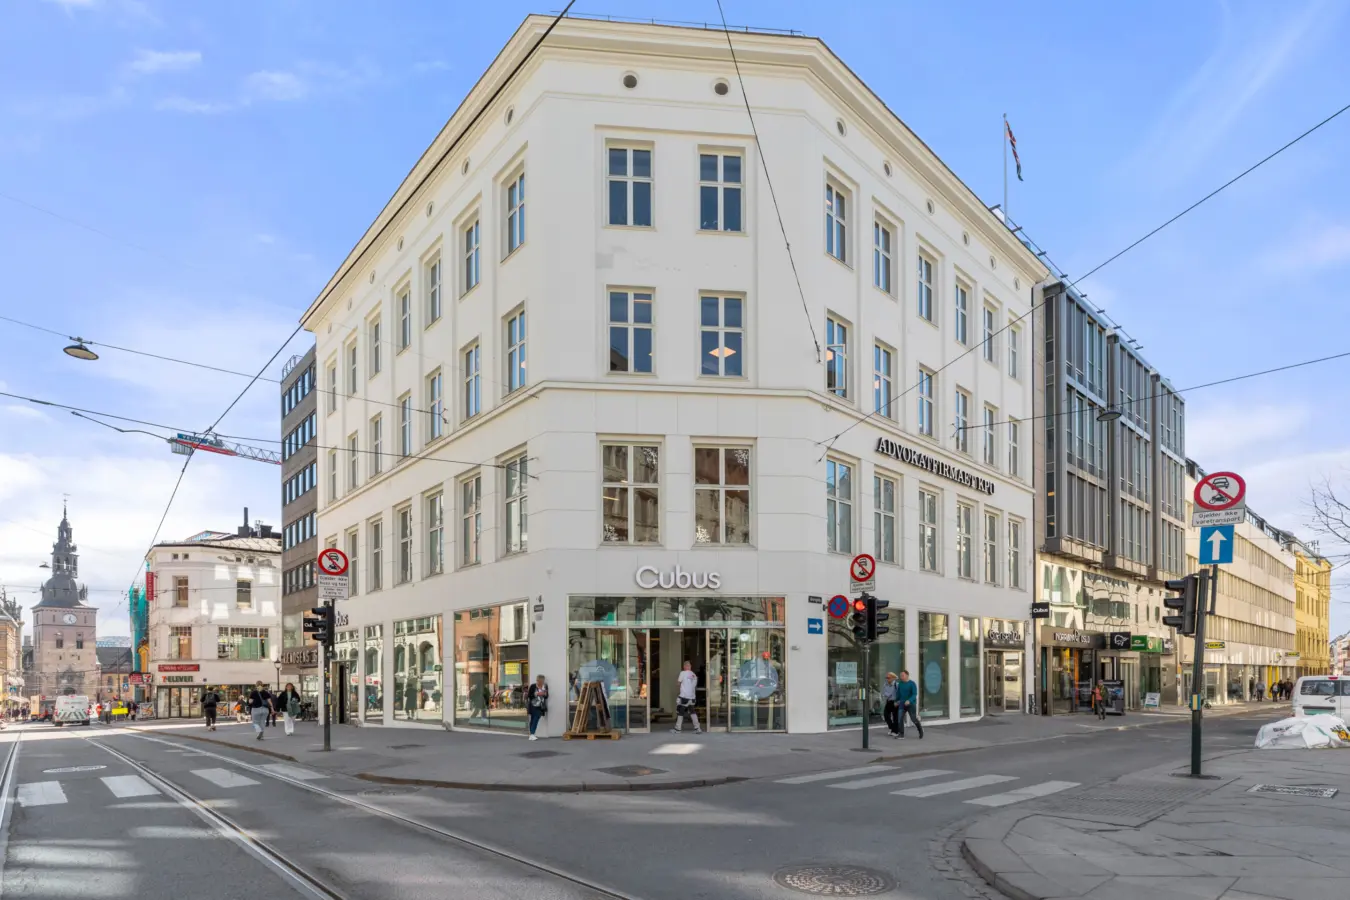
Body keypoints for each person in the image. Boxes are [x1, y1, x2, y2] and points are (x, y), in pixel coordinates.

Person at [671, 661, 702, 734]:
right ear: (690, 666)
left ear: (684, 666)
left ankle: (678, 728)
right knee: (692, 711)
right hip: (692, 697)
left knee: (680, 711)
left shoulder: (683, 673)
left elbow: (678, 683)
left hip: (684, 697)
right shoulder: (694, 675)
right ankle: (697, 728)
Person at [896, 670, 923, 739]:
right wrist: (896, 701)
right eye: (900, 676)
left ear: (907, 675)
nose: (901, 677)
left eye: (903, 675)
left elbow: (914, 694)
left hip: (911, 704)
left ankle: (920, 730)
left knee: (913, 719)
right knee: (900, 718)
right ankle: (901, 734)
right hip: (902, 703)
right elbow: (898, 693)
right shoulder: (900, 684)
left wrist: (909, 700)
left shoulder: (912, 684)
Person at [526, 674, 549, 741]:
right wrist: (536, 694)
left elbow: (547, 696)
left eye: (540, 681)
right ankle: (532, 734)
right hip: (533, 705)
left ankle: (532, 734)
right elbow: (529, 696)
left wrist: (544, 694)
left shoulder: (545, 686)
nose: (539, 682)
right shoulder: (533, 686)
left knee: (536, 718)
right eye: (538, 681)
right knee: (533, 718)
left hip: (541, 705)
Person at [881, 672, 901, 737]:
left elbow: (900, 695)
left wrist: (898, 702)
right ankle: (892, 728)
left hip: (895, 702)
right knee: (886, 715)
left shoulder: (897, 685)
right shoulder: (885, 684)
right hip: (889, 701)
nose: (887, 679)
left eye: (888, 678)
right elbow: (884, 693)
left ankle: (896, 731)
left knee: (895, 717)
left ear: (893, 678)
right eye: (886, 678)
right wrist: (885, 695)